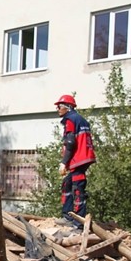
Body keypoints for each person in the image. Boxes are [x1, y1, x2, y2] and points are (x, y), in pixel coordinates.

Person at [55, 94, 96, 228]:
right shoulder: (81, 120)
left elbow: (70, 142)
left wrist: (64, 162)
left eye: (59, 106)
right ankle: (68, 215)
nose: (57, 109)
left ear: (68, 107)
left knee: (77, 188)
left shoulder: (70, 119)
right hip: (83, 157)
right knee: (67, 183)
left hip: (79, 159)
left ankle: (78, 223)